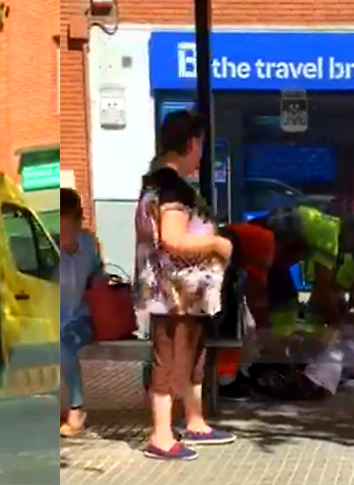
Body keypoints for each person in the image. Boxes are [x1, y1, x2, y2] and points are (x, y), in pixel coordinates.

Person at [134, 110, 236, 461]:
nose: (201, 154)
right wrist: (217, 246)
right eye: (201, 146)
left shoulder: (156, 183)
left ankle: (194, 419)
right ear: (191, 144)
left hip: (181, 295)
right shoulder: (171, 187)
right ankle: (161, 435)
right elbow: (173, 238)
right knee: (169, 359)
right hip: (173, 294)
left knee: (190, 356)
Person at [59, 188, 103, 437]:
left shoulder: (88, 242)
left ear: (78, 221)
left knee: (62, 345)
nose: (63, 235)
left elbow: (98, 275)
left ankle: (77, 408)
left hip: (80, 318)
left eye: (67, 228)